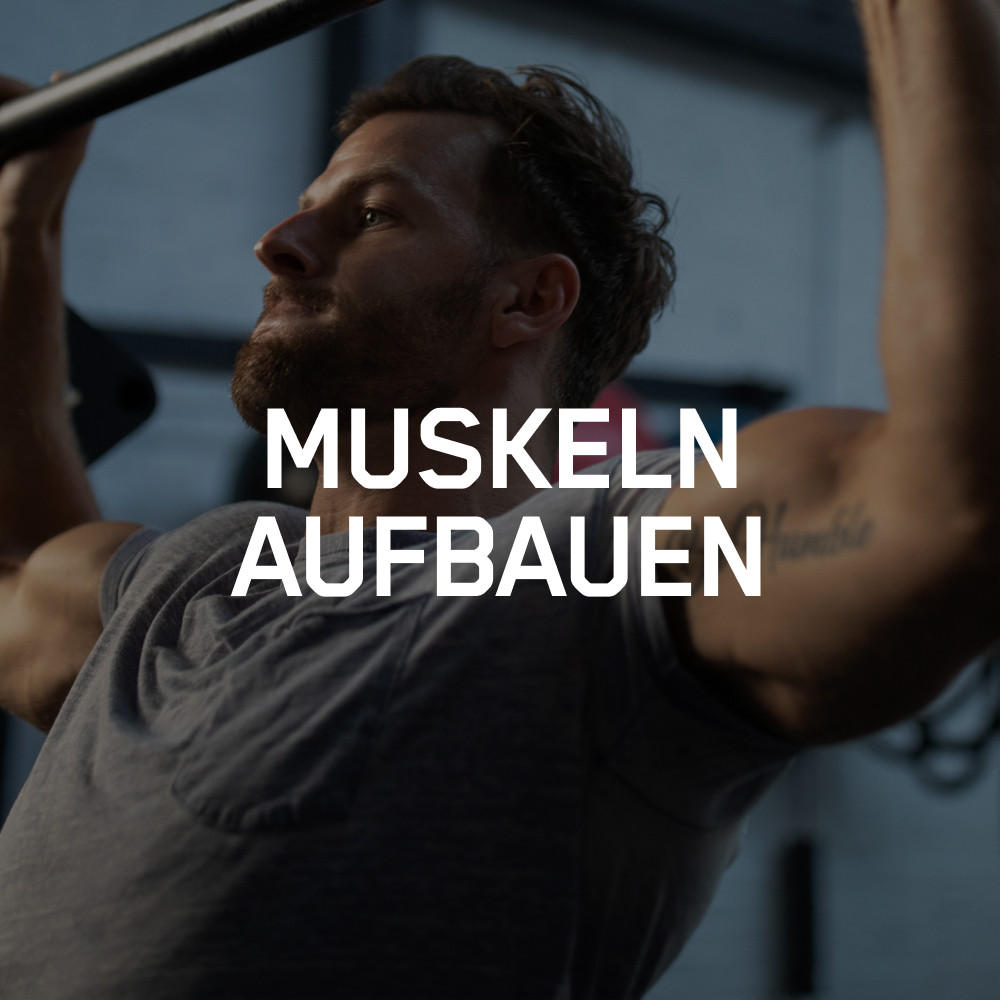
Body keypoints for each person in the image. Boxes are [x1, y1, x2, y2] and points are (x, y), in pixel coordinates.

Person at [0, 2, 998, 996]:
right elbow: (23, 567)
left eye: (372, 215)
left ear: (526, 300)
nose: (278, 242)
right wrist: (20, 226)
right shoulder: (202, 568)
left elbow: (949, 505)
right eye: (310, 205)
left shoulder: (600, 567)